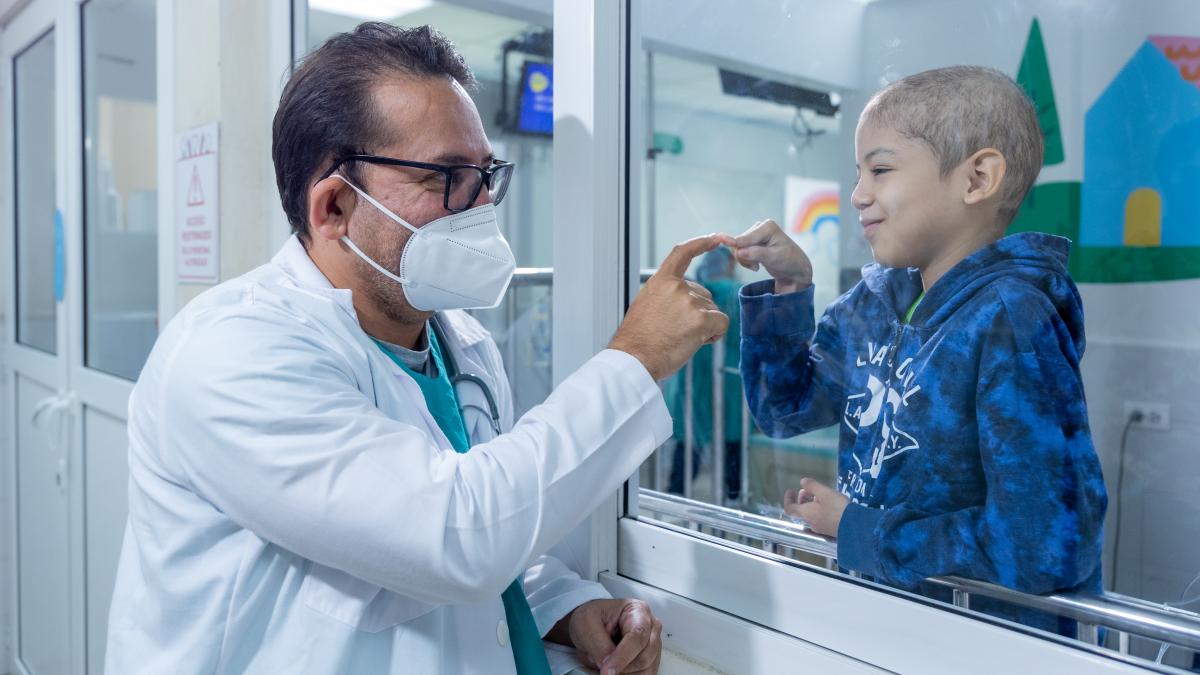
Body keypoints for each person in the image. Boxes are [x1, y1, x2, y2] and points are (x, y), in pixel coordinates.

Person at [105, 23, 728, 675]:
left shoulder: (462, 345)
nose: (483, 205)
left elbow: (498, 536)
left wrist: (566, 608)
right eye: (449, 178)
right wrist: (636, 358)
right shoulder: (230, 353)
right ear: (336, 205)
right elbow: (456, 535)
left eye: (486, 174)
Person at [719, 66, 1107, 624]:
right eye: (858, 173)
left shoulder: (1011, 317)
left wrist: (857, 527)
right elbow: (782, 409)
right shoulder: (873, 302)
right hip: (879, 616)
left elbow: (1044, 547)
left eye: (880, 169)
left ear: (977, 179)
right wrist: (789, 290)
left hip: (973, 644)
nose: (857, 194)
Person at [666, 246, 745, 501]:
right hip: (729, 378)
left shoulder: (692, 293)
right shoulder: (737, 294)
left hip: (694, 377)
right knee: (731, 440)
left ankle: (675, 499)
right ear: (731, 264)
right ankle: (733, 499)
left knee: (690, 443)